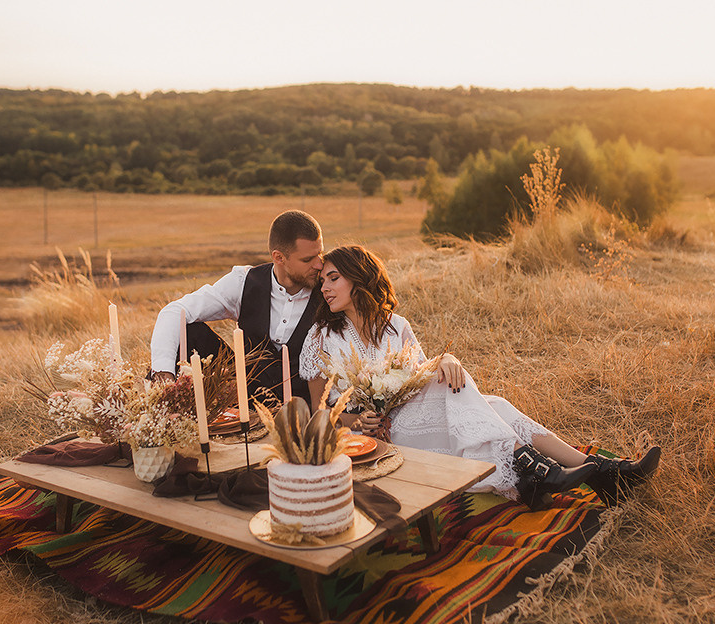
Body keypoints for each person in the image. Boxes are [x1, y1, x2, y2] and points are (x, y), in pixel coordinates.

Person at [300, 245, 660, 510]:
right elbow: (319, 414)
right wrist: (358, 419)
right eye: (323, 281)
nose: (326, 288)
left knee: (494, 403)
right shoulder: (320, 338)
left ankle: (586, 472)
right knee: (486, 402)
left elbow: (421, 379)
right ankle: (583, 471)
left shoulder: (396, 327)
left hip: (418, 416)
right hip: (381, 436)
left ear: (359, 279)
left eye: (334, 278)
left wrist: (446, 358)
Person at [149, 210, 324, 403]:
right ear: (279, 257)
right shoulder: (244, 282)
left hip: (301, 402)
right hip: (244, 392)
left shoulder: (330, 289)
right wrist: (163, 373)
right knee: (189, 331)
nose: (318, 264)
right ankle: (173, 410)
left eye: (320, 254)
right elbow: (174, 311)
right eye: (307, 259)